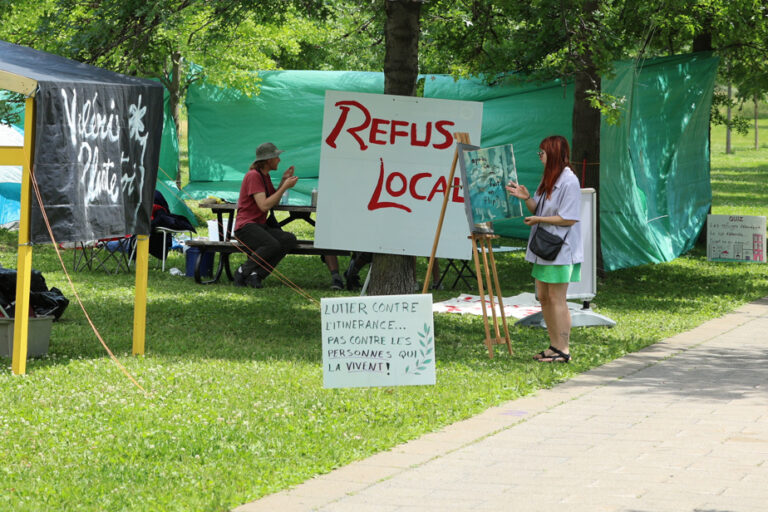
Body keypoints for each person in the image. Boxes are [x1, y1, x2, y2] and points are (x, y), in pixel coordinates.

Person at [506, 135, 582, 363]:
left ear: (554, 153)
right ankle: (554, 346)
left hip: (560, 249)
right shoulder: (549, 178)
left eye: (542, 153)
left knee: (557, 298)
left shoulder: (569, 181)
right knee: (544, 298)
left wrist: (538, 218)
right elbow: (537, 207)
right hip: (543, 247)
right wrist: (526, 198)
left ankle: (564, 349)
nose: (540, 157)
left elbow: (568, 219)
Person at [233, 142, 299, 288]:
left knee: (288, 239)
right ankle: (242, 271)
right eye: (277, 157)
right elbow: (264, 206)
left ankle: (257, 274)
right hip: (245, 227)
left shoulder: (265, 176)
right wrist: (285, 187)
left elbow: (272, 201)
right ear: (269, 160)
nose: (279, 160)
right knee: (271, 244)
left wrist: (283, 181)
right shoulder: (253, 176)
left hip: (260, 226)